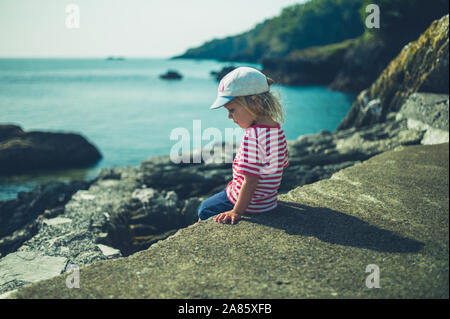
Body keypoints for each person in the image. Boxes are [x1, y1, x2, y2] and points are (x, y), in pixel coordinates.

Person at [197, 67, 289, 224]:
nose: (229, 116)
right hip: (267, 202)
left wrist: (236, 211)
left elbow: (251, 180)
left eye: (232, 110)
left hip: (251, 205)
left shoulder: (253, 136)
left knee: (204, 209)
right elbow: (282, 164)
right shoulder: (276, 128)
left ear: (255, 102)